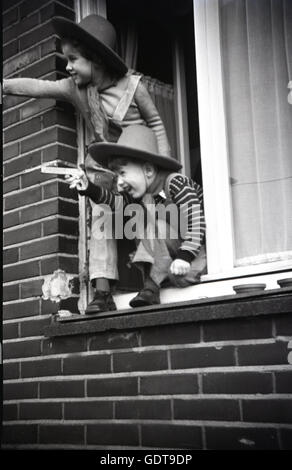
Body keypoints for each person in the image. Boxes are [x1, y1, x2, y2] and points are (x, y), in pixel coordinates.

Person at [3, 14, 171, 313]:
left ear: (96, 60)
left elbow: (157, 123)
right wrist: (3, 85)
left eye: (73, 59)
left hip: (137, 166)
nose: (67, 66)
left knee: (147, 215)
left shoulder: (134, 87)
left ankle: (152, 284)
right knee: (102, 217)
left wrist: (163, 170)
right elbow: (38, 87)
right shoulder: (75, 88)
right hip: (103, 166)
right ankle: (103, 290)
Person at [66, 125, 207, 310]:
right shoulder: (142, 196)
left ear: (148, 170)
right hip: (172, 269)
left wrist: (184, 257)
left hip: (193, 261)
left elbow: (196, 223)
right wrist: (89, 188)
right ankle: (151, 286)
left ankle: (151, 285)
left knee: (156, 225)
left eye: (122, 173)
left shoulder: (176, 183)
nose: (120, 183)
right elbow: (115, 203)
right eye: (116, 177)